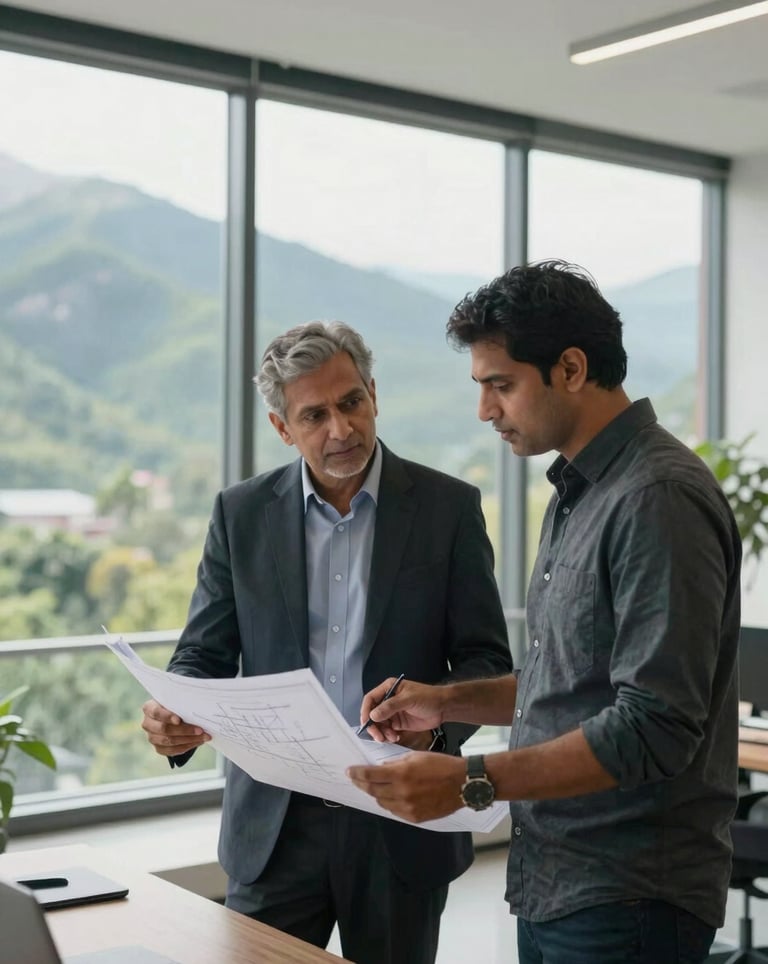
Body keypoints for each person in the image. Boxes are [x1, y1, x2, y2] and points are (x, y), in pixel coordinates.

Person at [348, 261, 742, 964]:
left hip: (629, 894)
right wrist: (445, 702)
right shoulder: (580, 491)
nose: (485, 410)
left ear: (570, 368)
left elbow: (654, 725)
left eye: (501, 385)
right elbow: (569, 681)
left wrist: (473, 779)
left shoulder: (657, 497)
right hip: (561, 881)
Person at [140, 320, 512, 964]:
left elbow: (486, 660)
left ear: (373, 393)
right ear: (283, 428)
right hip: (276, 828)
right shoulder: (241, 513)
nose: (340, 430)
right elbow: (203, 653)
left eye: (350, 403)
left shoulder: (448, 508)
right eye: (314, 415)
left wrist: (433, 731)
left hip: (399, 815)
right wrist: (175, 713)